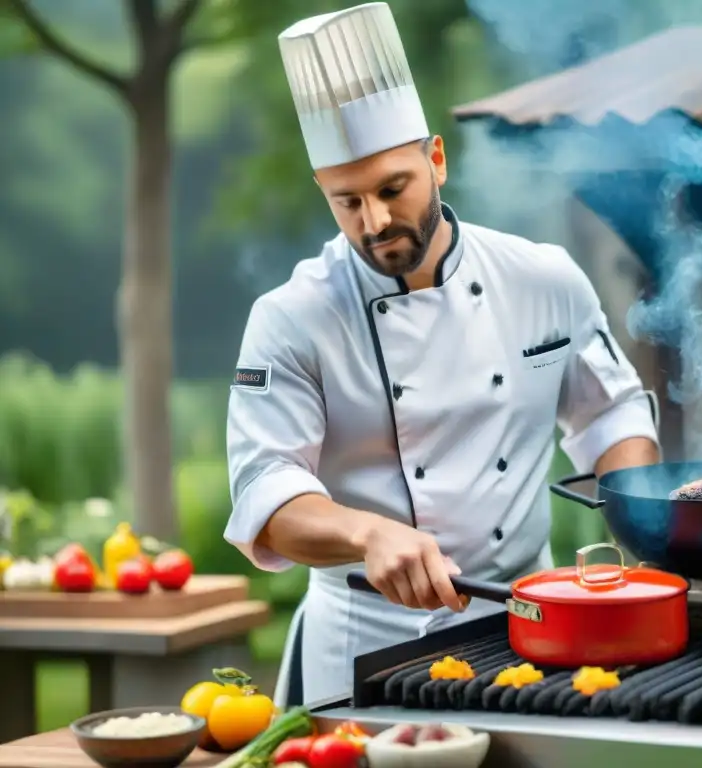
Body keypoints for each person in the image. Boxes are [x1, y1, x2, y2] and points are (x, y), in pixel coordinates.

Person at [224, 1, 661, 707]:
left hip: (522, 634)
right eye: (348, 202)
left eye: (392, 189)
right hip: (359, 653)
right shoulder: (290, 318)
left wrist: (644, 523)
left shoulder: (542, 278)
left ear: (436, 158)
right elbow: (266, 497)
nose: (375, 222)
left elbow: (611, 414)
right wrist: (368, 535)